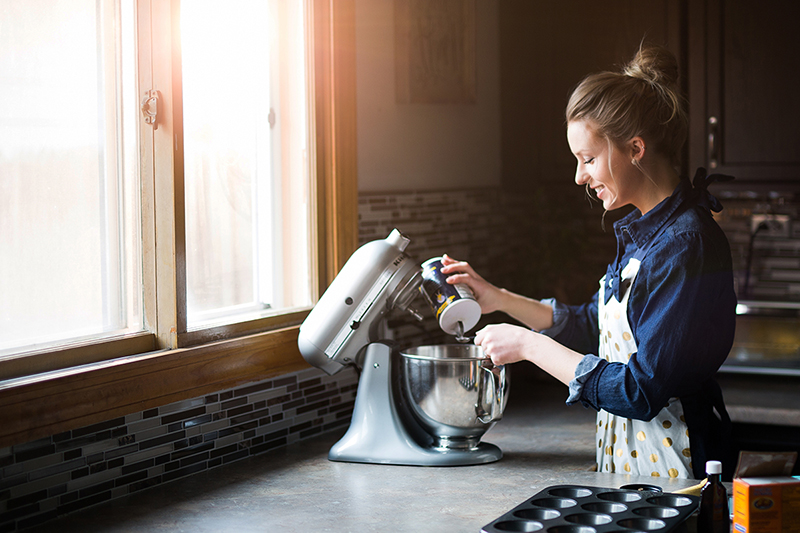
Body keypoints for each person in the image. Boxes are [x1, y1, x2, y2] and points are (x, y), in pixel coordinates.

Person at [441, 43, 737, 480]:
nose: (580, 176)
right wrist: (498, 298)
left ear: (635, 148)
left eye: (589, 159)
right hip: (633, 460)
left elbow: (640, 390)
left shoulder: (685, 244)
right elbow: (593, 325)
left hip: (681, 465)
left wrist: (528, 346)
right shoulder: (645, 233)